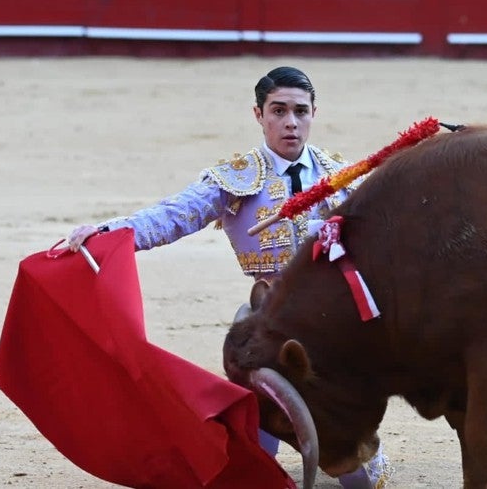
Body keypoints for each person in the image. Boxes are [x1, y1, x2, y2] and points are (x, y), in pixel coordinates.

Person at [64, 66, 393, 489]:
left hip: (335, 325)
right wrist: (111, 232)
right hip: (267, 321)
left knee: (363, 480)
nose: (290, 122)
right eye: (278, 110)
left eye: (300, 111)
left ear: (314, 113)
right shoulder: (238, 177)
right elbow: (174, 215)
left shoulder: (343, 176)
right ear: (259, 114)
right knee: (254, 463)